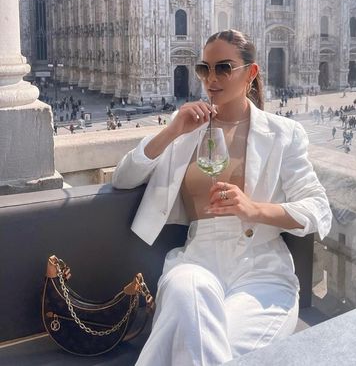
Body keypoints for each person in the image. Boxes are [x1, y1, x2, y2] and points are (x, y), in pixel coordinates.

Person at [112, 30, 332, 366]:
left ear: (251, 73)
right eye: (204, 69)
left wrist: (254, 209)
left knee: (202, 347)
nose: (211, 79)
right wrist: (172, 131)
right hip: (196, 259)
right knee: (188, 292)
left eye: (224, 68)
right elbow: (124, 176)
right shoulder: (185, 127)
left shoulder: (283, 134)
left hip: (262, 268)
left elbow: (318, 209)